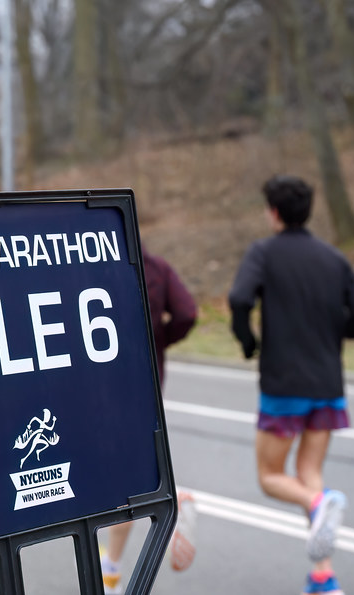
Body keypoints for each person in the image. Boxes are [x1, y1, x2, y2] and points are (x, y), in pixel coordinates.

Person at [228, 175, 354, 595]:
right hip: (327, 383)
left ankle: (317, 505)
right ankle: (323, 579)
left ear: (273, 212)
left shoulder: (263, 252)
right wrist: (331, 332)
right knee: (310, 471)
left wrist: (248, 341)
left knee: (270, 476)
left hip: (283, 384)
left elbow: (240, 298)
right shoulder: (333, 258)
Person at [101, 250, 198, 593]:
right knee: (126, 479)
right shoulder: (155, 267)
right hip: (147, 385)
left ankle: (172, 493)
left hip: (101, 388)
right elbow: (187, 312)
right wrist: (159, 340)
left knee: (107, 479)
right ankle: (110, 570)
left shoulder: (90, 264)